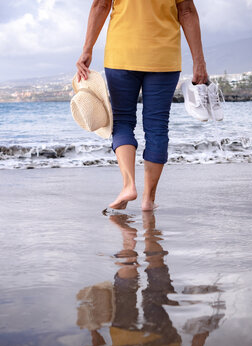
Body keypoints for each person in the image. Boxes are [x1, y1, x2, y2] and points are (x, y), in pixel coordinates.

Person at [76, 0, 208, 211]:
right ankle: (148, 199)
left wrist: (87, 49)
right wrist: (199, 62)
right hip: (163, 57)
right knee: (157, 126)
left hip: (122, 54)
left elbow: (101, 5)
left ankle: (129, 185)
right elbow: (187, 11)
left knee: (122, 121)